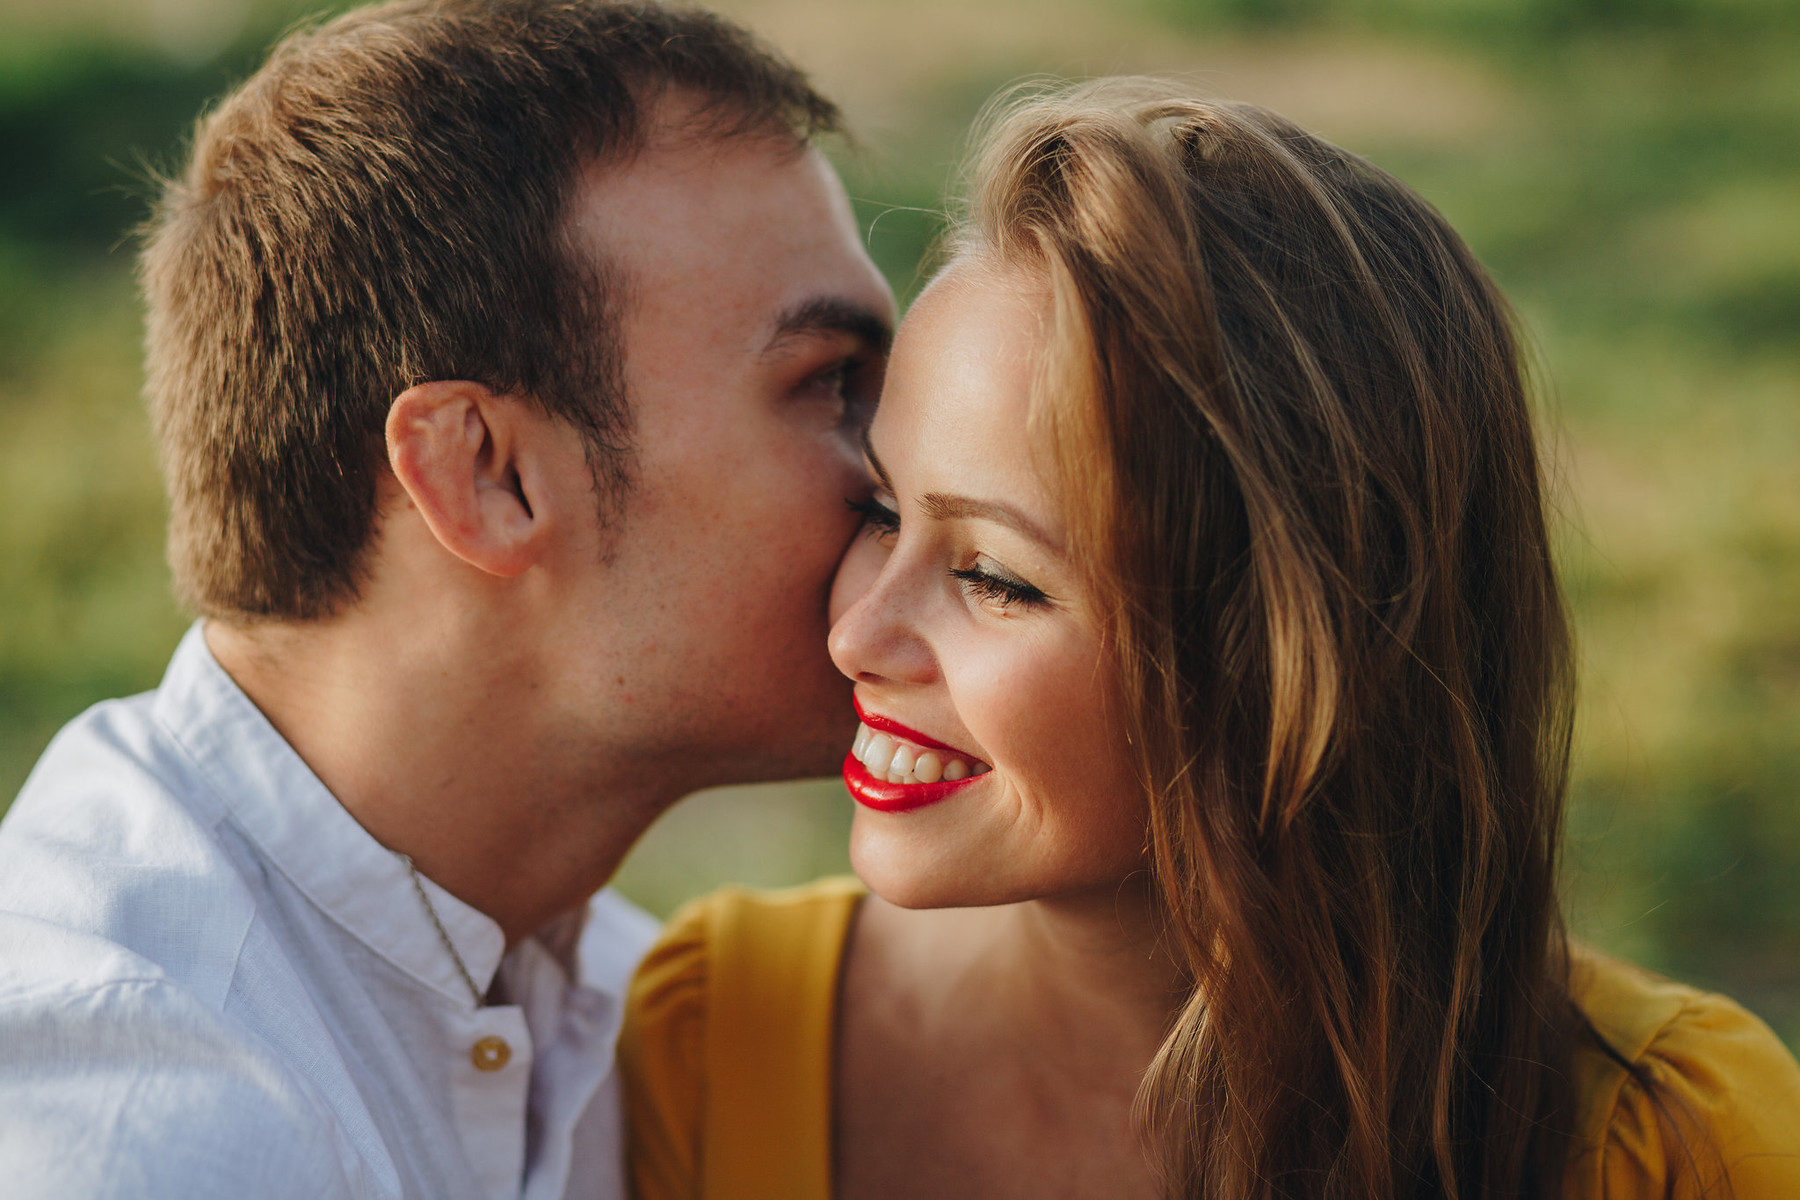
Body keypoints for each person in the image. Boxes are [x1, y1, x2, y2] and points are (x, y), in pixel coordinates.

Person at [621, 80, 1800, 1199]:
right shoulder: (714, 1037)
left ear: (1292, 660)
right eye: (882, 512)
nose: (858, 633)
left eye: (992, 577)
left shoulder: (1680, 1145)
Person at [0, 2, 892, 1197]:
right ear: (486, 475)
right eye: (832, 384)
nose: (913, 480)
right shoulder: (137, 1123)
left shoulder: (645, 1021)